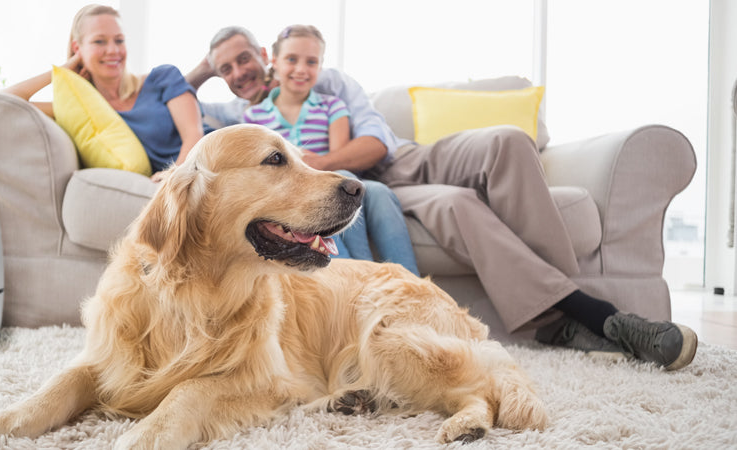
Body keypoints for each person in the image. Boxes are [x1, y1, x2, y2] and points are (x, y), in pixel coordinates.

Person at [185, 26, 698, 371]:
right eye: (224, 69)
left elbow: (375, 142)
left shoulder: (323, 81)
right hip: (383, 192)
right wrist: (202, 72)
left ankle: (568, 315)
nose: (238, 73)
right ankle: (596, 316)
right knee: (456, 208)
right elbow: (169, 98)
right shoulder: (236, 118)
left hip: (405, 159)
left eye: (242, 59)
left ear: (264, 54)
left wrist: (317, 165)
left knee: (508, 141)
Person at [241, 25, 418, 275]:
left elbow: (337, 163)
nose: (301, 69)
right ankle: (358, 275)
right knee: (352, 186)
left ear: (320, 67)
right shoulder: (253, 116)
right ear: (275, 62)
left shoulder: (332, 106)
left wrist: (319, 166)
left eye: (311, 62)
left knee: (379, 192)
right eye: (292, 59)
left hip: (331, 178)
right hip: (292, 192)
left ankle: (411, 280)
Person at [3, 4, 203, 182]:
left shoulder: (162, 77)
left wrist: (173, 176)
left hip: (205, 166)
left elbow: (194, 135)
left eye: (119, 40)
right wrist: (63, 69)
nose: (113, 50)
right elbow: (4, 103)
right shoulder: (84, 111)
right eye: (99, 41)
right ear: (77, 48)